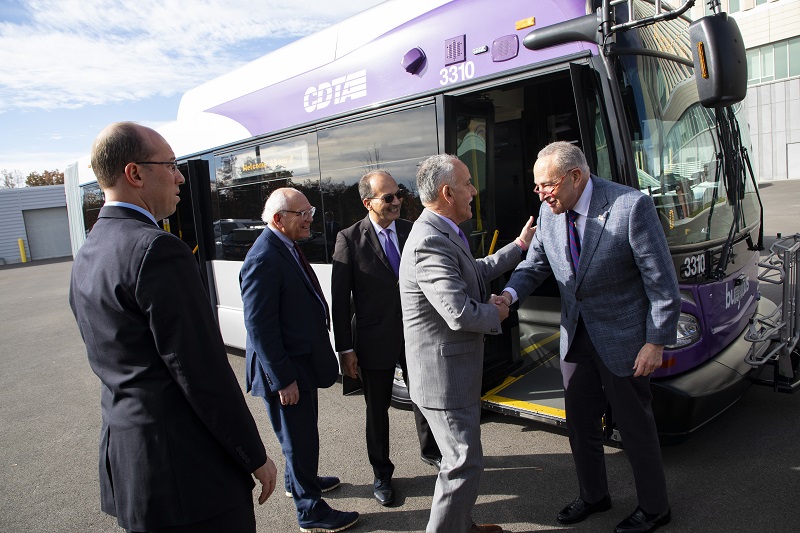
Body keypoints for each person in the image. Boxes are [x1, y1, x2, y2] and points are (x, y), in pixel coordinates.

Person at [69, 122, 277, 533]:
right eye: (170, 165)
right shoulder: (157, 249)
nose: (180, 177)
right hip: (187, 476)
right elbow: (201, 372)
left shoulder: (90, 250)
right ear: (134, 173)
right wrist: (254, 456)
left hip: (131, 468)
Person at [496, 141, 680, 533]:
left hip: (625, 340)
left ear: (576, 177)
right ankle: (594, 495)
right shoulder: (548, 213)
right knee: (580, 425)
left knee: (634, 427)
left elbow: (662, 283)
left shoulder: (630, 207)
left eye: (547, 186)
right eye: (537, 187)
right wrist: (509, 296)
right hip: (575, 336)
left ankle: (655, 508)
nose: (541, 195)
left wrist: (656, 342)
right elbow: (535, 265)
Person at [399, 154, 535, 533]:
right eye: (468, 184)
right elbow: (458, 312)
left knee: (461, 460)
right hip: (444, 381)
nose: (474, 191)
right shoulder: (429, 240)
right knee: (463, 463)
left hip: (454, 374)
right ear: (447, 192)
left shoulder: (442, 231)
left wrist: (518, 246)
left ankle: (462, 525)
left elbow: (475, 269)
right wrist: (497, 311)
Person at [240, 187, 359, 533]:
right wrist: (283, 379)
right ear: (279, 219)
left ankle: (299, 481)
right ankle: (310, 511)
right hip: (286, 371)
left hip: (300, 365)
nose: (310, 219)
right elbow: (260, 327)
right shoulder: (263, 257)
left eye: (310, 212)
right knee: (299, 439)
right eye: (302, 214)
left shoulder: (284, 245)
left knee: (302, 437)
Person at [331, 170, 443, 507]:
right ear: (368, 203)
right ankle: (381, 473)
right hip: (373, 339)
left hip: (417, 333)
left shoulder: (412, 230)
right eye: (389, 197)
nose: (397, 202)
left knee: (425, 397)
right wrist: (345, 349)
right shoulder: (349, 239)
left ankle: (432, 452)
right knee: (377, 411)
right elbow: (340, 301)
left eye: (399, 194)